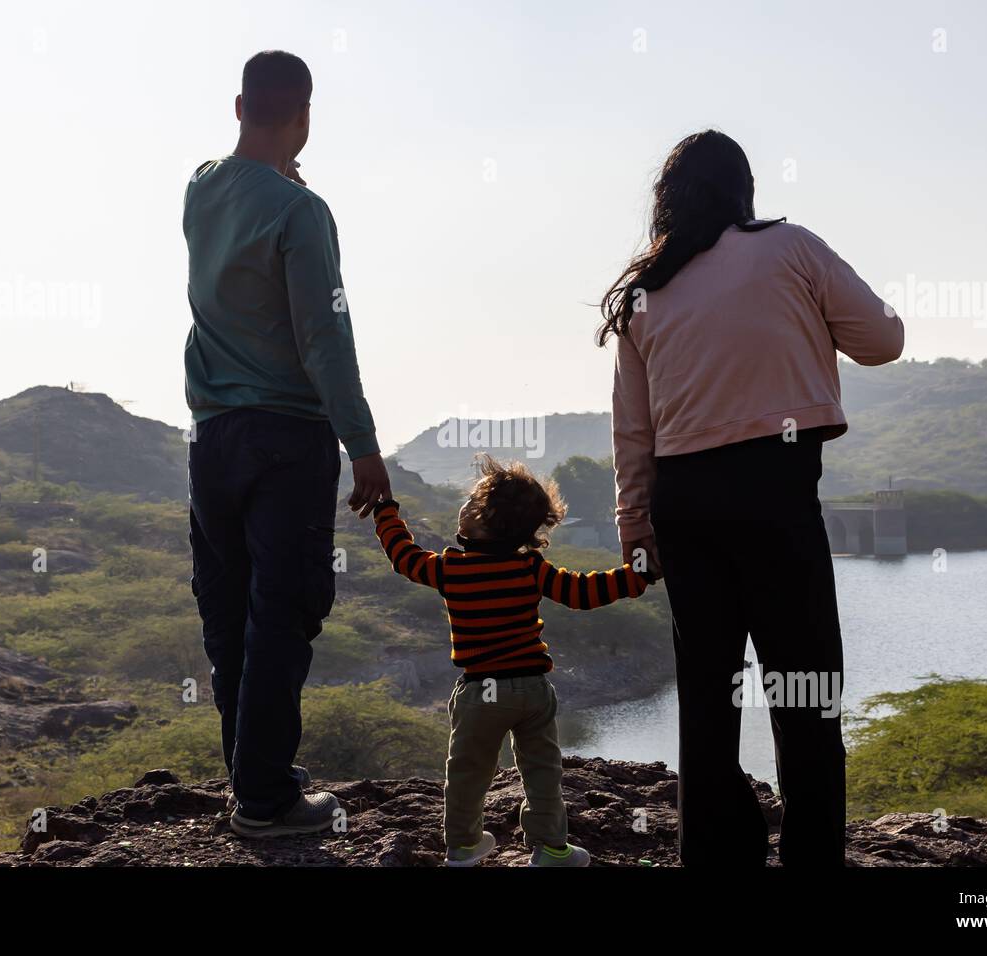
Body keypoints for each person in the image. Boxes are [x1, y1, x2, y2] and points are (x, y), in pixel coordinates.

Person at [604, 130, 904, 866]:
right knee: (804, 690)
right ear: (745, 191)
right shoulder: (791, 248)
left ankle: (716, 855)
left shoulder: (648, 285)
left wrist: (633, 520)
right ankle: (810, 858)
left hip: (683, 502)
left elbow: (631, 427)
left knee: (707, 695)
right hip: (777, 493)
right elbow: (882, 340)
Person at [183, 50, 391, 838]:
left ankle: (251, 773)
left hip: (213, 437)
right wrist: (363, 444)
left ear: (239, 106)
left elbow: (240, 194)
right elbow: (324, 337)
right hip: (288, 435)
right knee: (284, 608)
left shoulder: (199, 189)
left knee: (228, 607)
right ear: (304, 118)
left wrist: (279, 175)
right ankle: (267, 800)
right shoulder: (303, 214)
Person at [372, 456, 650, 866]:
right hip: (532, 689)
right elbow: (583, 593)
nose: (462, 507)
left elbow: (403, 556)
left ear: (485, 519)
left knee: (468, 772)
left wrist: (386, 511)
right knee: (543, 772)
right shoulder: (528, 566)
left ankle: (463, 845)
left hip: (480, 691)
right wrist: (639, 574)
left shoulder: (451, 568)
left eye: (471, 503)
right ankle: (551, 848)